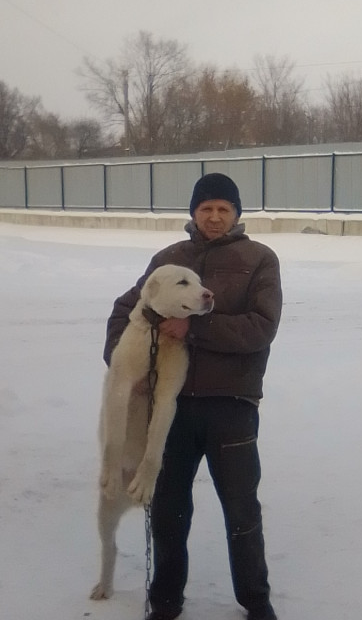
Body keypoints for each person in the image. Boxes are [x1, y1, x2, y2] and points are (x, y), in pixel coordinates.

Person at [103, 173, 282, 620]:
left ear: (237, 213)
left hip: (231, 405)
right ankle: (165, 601)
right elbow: (126, 309)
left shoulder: (259, 259)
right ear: (194, 213)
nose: (215, 216)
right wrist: (123, 363)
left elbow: (261, 327)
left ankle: (256, 601)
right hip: (172, 410)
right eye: (206, 208)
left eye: (224, 208)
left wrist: (195, 326)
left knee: (241, 508)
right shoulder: (170, 259)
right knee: (167, 508)